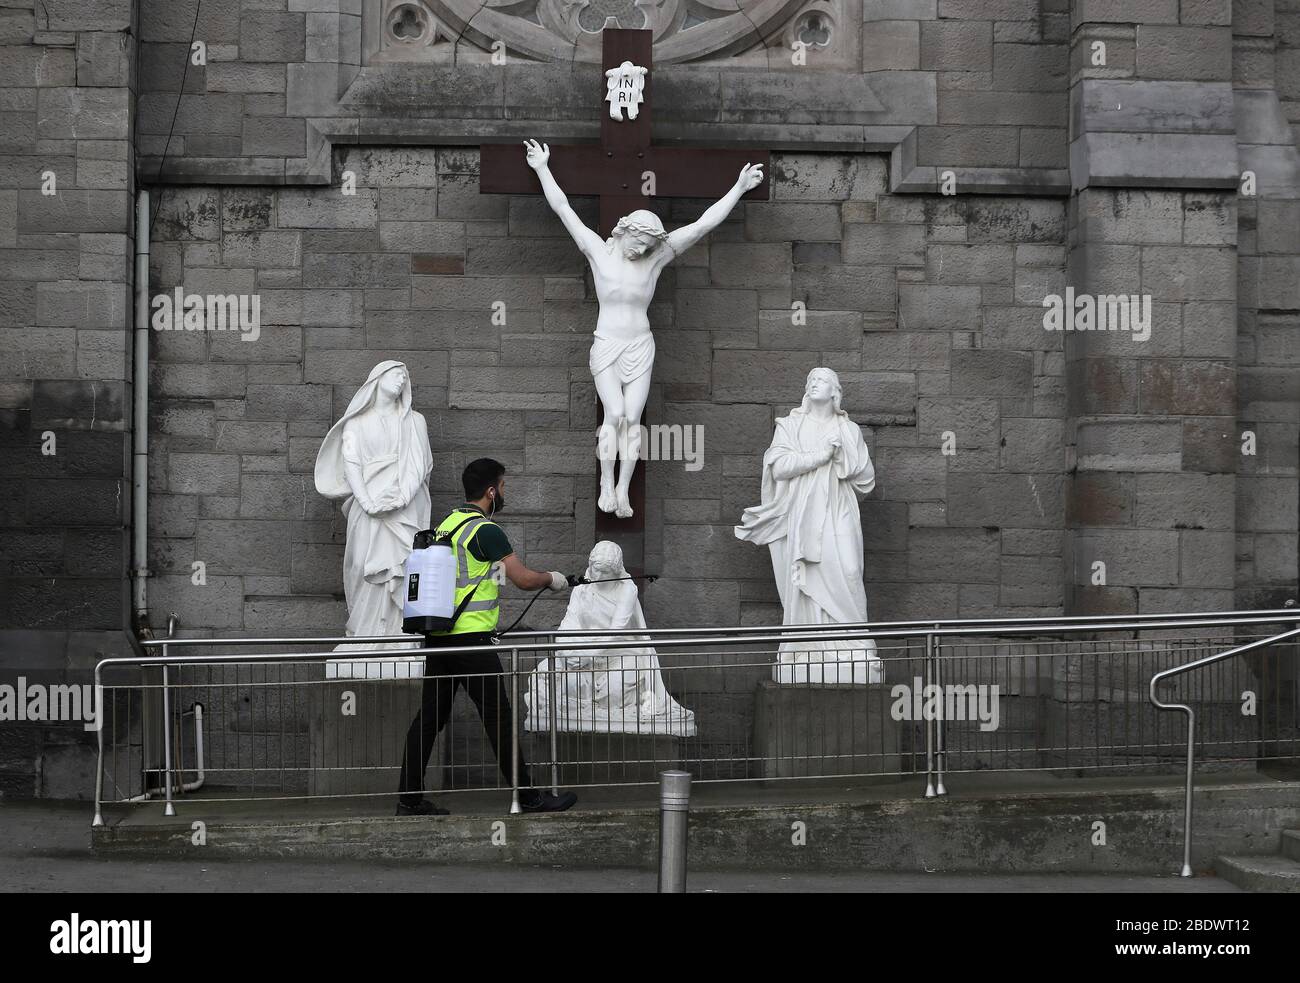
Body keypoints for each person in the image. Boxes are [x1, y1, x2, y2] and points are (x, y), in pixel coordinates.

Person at [396, 458, 578, 815]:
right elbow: (522, 579)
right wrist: (553, 578)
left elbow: (477, 577)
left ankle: (409, 799)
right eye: (503, 487)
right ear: (491, 491)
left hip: (440, 639)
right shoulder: (485, 530)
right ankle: (529, 798)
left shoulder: (447, 525)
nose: (504, 493)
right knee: (499, 719)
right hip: (472, 643)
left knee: (429, 719)